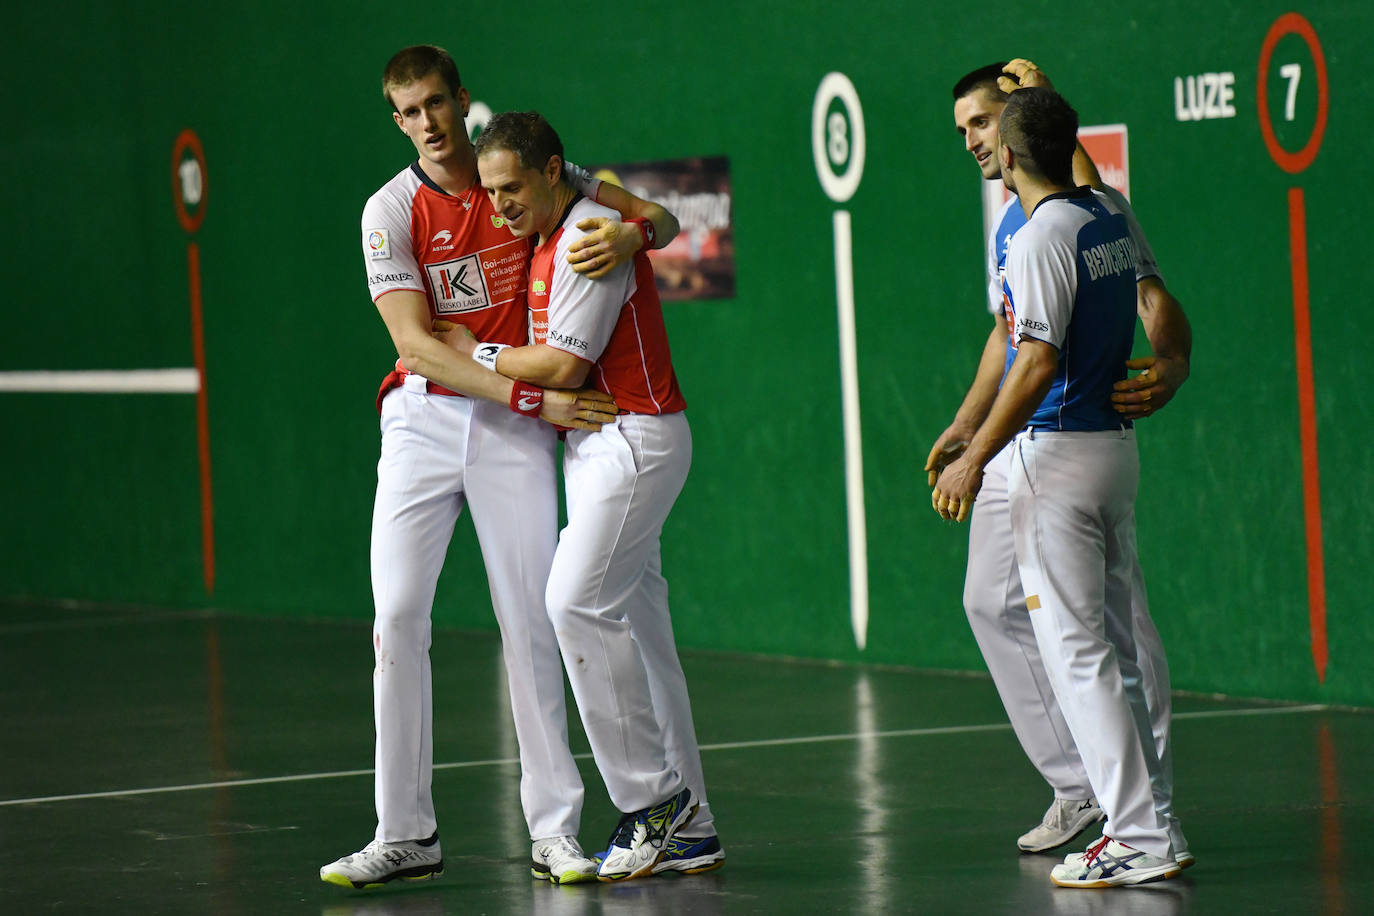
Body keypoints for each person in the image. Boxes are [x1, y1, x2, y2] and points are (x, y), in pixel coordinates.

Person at [320, 44, 683, 890]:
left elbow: (659, 219)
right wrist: (530, 398)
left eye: (435, 104)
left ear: (460, 99)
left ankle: (555, 829)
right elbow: (415, 344)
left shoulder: (512, 175)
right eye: (407, 113)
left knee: (530, 621)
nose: (425, 125)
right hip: (424, 422)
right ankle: (403, 831)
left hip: (512, 433)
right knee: (398, 617)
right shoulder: (389, 210)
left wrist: (632, 230)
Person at [928, 60, 1193, 865]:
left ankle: (1143, 818)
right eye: (963, 130)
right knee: (991, 600)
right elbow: (1009, 333)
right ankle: (1090, 789)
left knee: (1097, 641)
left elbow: (1056, 345)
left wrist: (1175, 359)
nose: (973, 142)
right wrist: (966, 423)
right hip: (1043, 437)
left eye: (983, 125)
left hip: (1054, 438)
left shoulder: (1069, 214)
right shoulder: (1039, 216)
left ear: (1017, 130)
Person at [448, 109, 719, 882]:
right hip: (598, 449)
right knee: (644, 630)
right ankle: (693, 825)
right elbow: (652, 216)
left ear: (550, 172)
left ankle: (650, 801)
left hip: (631, 442)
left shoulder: (587, 237)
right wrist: (651, 223)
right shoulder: (554, 227)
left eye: (511, 188)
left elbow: (564, 368)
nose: (499, 204)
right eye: (491, 190)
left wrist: (482, 352)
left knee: (572, 604)